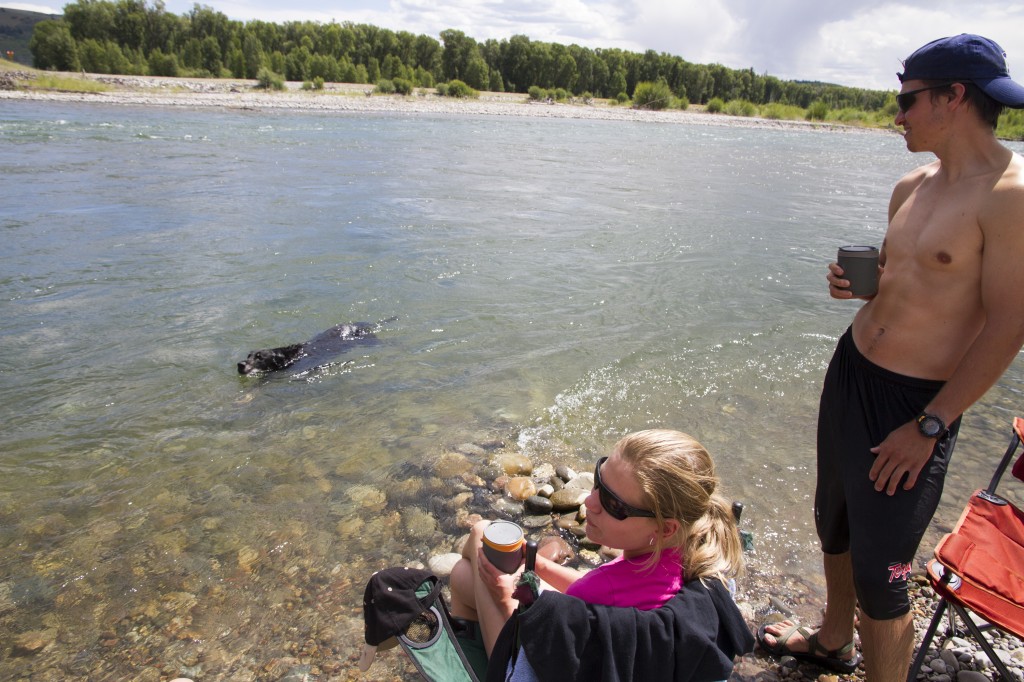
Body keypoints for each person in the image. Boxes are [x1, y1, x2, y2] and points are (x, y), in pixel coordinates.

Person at [757, 34, 1024, 680]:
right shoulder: (913, 185)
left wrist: (932, 424)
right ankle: (831, 639)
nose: (897, 115)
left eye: (908, 100)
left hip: (915, 402)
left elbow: (1011, 324)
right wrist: (857, 284)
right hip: (853, 373)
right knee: (834, 519)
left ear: (954, 97)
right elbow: (900, 275)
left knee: (885, 575)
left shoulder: (1009, 197)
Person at [448, 429, 751, 680]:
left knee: (479, 536)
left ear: (664, 528)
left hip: (538, 669)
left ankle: (464, 662)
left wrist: (505, 599)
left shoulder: (600, 589)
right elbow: (600, 591)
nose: (590, 502)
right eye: (598, 480)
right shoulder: (687, 554)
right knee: (464, 575)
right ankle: (465, 635)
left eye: (613, 504)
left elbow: (578, 604)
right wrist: (539, 565)